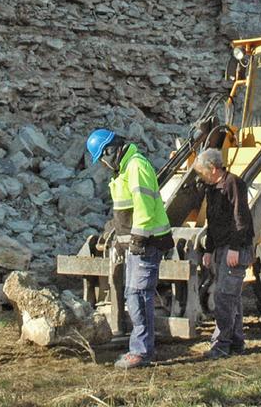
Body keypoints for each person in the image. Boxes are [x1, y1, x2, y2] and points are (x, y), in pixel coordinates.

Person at [86, 128, 174, 370]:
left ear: (110, 151)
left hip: (148, 242)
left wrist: (137, 238)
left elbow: (144, 206)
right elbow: (126, 211)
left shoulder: (136, 166)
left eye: (102, 158)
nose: (103, 164)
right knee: (133, 295)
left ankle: (141, 351)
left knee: (138, 295)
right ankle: (141, 347)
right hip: (138, 243)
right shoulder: (125, 169)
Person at [193, 148, 254, 359]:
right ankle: (236, 342)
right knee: (232, 298)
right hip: (221, 248)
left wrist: (235, 248)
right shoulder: (213, 189)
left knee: (224, 298)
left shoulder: (233, 184)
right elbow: (212, 222)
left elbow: (240, 218)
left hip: (234, 248)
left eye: (202, 171)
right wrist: (209, 249)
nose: (200, 176)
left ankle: (220, 345)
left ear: (212, 168)